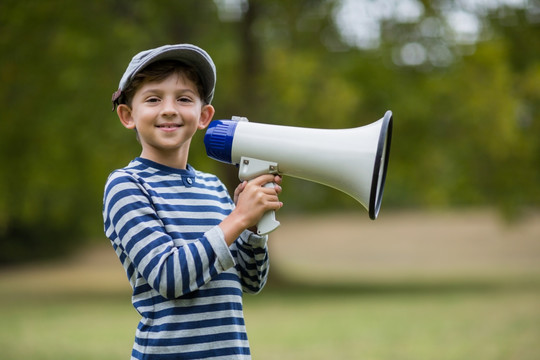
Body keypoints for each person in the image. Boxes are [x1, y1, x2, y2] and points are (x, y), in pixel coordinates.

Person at [103, 44, 283, 360]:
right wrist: (238, 219)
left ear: (204, 116)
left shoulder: (212, 186)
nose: (169, 109)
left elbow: (251, 282)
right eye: (153, 99)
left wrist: (253, 230)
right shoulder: (127, 185)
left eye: (184, 99)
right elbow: (168, 277)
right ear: (128, 115)